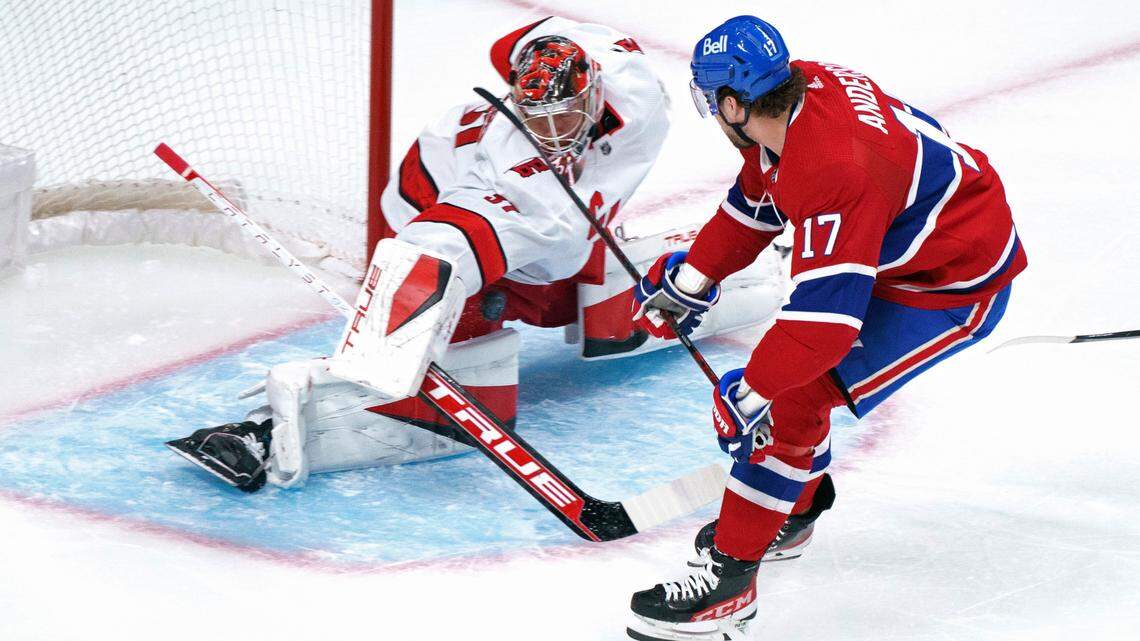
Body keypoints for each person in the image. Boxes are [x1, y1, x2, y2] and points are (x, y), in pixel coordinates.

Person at [166, 16, 780, 493]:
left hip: (544, 233)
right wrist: (395, 348)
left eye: (567, 114)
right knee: (468, 414)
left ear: (594, 89)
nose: (553, 132)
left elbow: (525, 38)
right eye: (537, 119)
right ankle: (269, 435)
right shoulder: (514, 179)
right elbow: (430, 251)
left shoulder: (631, 82)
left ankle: (767, 271)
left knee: (616, 322)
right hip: (427, 213)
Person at [626, 15, 1026, 641]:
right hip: (910, 246)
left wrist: (752, 393)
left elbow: (823, 330)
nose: (714, 114)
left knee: (791, 395)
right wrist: (694, 279)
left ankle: (730, 583)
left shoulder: (834, 166)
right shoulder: (797, 98)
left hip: (949, 284)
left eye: (712, 101)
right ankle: (795, 505)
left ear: (732, 102)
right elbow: (759, 197)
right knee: (785, 394)